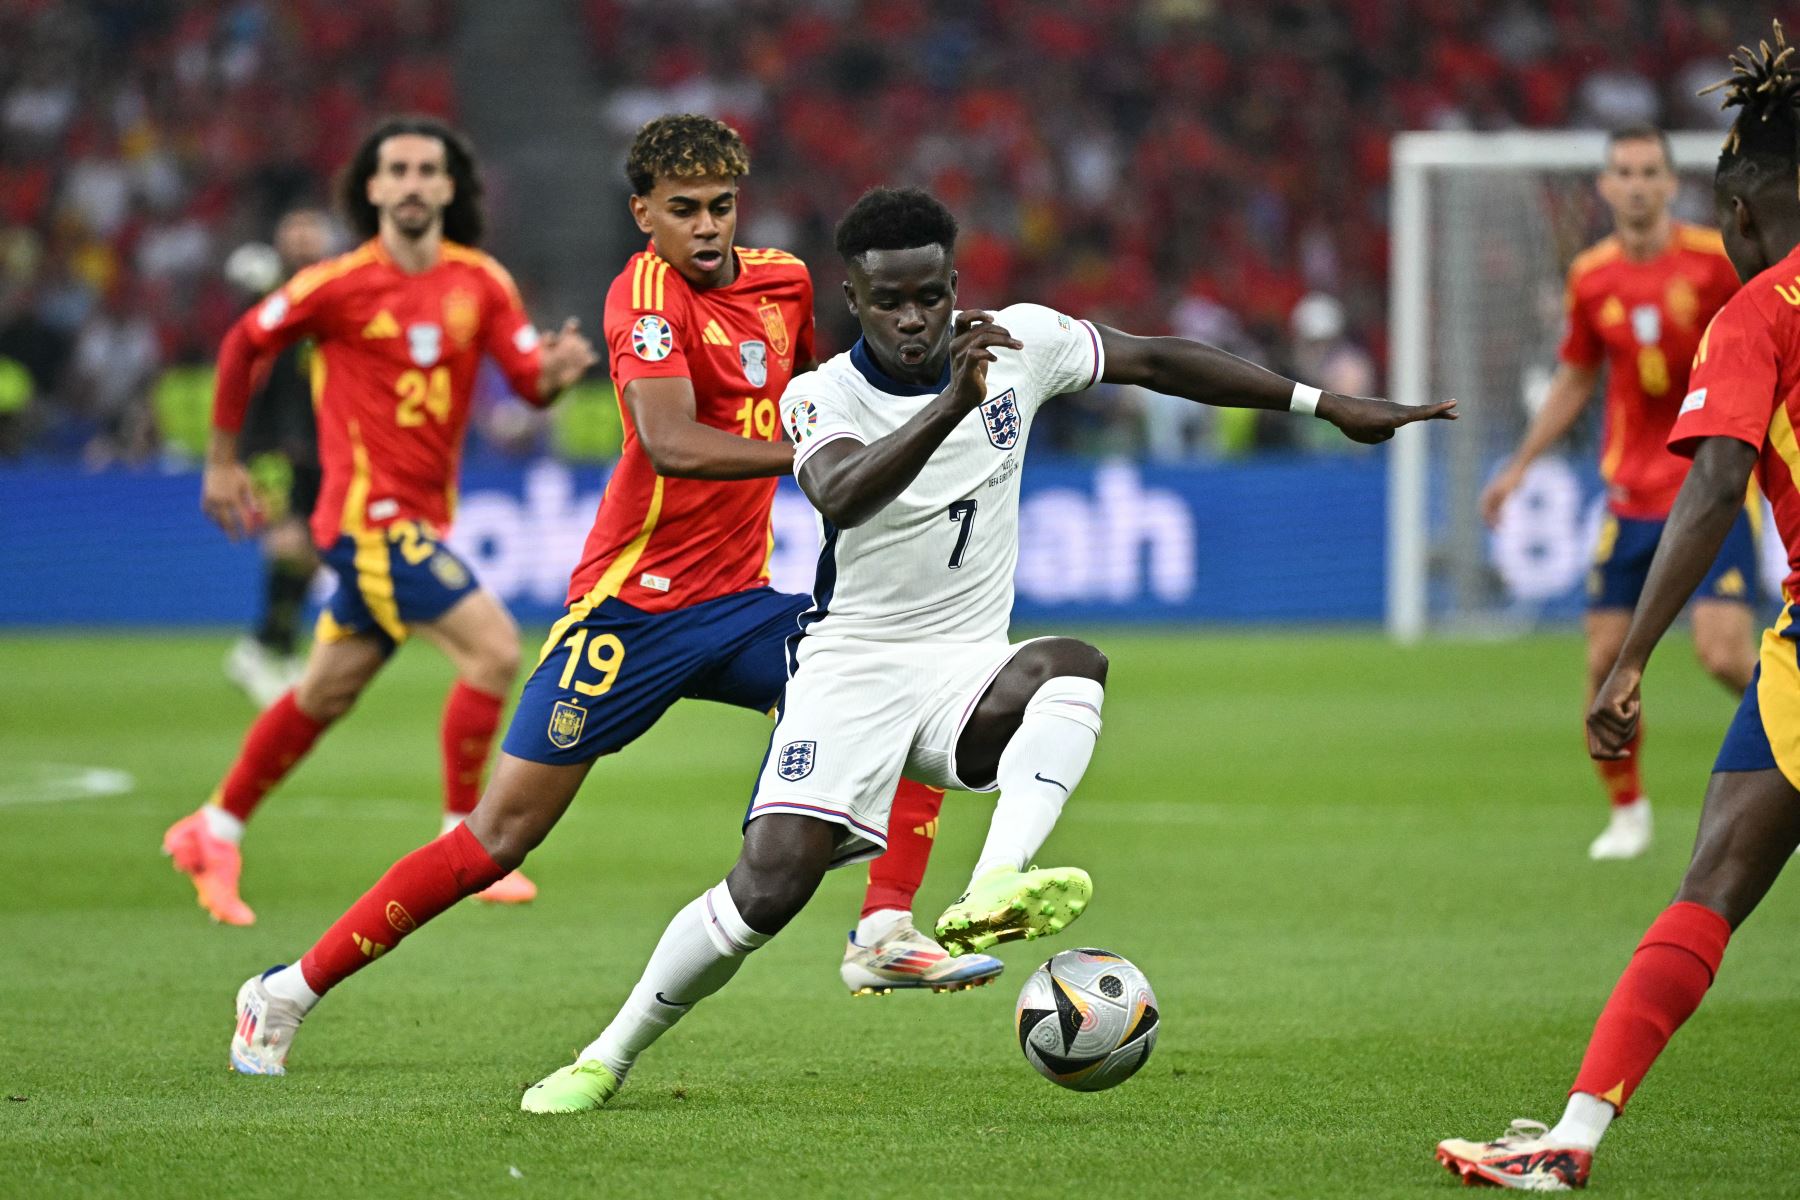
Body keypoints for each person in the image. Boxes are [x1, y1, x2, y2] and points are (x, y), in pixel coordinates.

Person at [517, 186, 1458, 1113]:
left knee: (1072, 666)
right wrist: (953, 402)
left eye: (931, 295)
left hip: (963, 666)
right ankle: (606, 1056)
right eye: (890, 301)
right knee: (767, 892)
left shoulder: (1020, 342)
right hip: (850, 673)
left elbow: (1157, 360)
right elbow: (842, 494)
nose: (915, 318)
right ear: (855, 301)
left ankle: (997, 878)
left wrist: (1324, 401)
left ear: (954, 283)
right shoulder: (819, 394)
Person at [224, 118, 1004, 1079]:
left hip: (741, 599)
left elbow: (830, 391)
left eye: (720, 207)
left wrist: (936, 369)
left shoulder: (787, 283)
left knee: (904, 678)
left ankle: (884, 924)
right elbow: (673, 441)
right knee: (495, 841)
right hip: (628, 615)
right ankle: (286, 990)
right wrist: (815, 459)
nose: (706, 228)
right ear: (644, 215)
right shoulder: (642, 296)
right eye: (683, 211)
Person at [1436, 27, 1800, 1190]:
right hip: (1633, 505)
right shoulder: (1607, 285)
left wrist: (1631, 658)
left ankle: (1572, 1139)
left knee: (1711, 894)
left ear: (1737, 221)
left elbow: (1717, 479)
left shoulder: (1755, 310)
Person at [161, 117, 598, 925]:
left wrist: (555, 377)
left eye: (426, 170)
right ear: (371, 188)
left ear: (447, 188)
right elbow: (242, 345)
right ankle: (468, 839)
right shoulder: (337, 283)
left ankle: (212, 827)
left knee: (324, 691)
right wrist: (222, 461)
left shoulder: (481, 283)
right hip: (363, 523)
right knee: (496, 650)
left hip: (421, 524)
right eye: (394, 169)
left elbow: (527, 381)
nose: (409, 183)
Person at [1480, 126, 1754, 861]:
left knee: (1725, 656)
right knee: (1605, 663)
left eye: (1649, 172)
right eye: (1623, 172)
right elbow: (1576, 377)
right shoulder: (1592, 277)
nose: (1635, 184)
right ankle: (1628, 812)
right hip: (1630, 496)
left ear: (1671, 184)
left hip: (1711, 487)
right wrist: (1520, 466)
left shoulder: (1712, 264)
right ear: (1604, 187)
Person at [222, 208, 336, 707]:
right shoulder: (273, 303)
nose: (303, 239)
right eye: (294, 232)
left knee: (314, 552)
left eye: (310, 231)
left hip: (323, 446)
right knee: (288, 538)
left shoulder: (334, 297)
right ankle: (271, 648)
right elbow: (251, 366)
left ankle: (266, 645)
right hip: (274, 442)